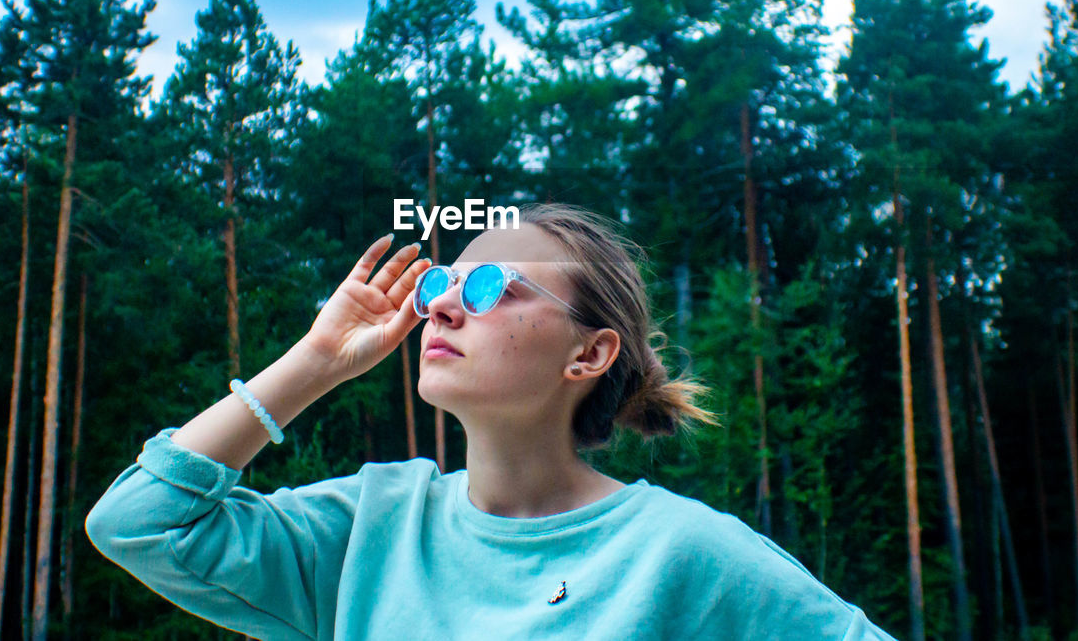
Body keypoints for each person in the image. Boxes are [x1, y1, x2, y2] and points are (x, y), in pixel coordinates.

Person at [86, 203, 896, 640]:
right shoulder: (371, 527)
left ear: (588, 353)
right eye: (440, 280)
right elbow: (141, 522)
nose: (438, 302)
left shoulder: (680, 554)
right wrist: (316, 362)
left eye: (487, 287)